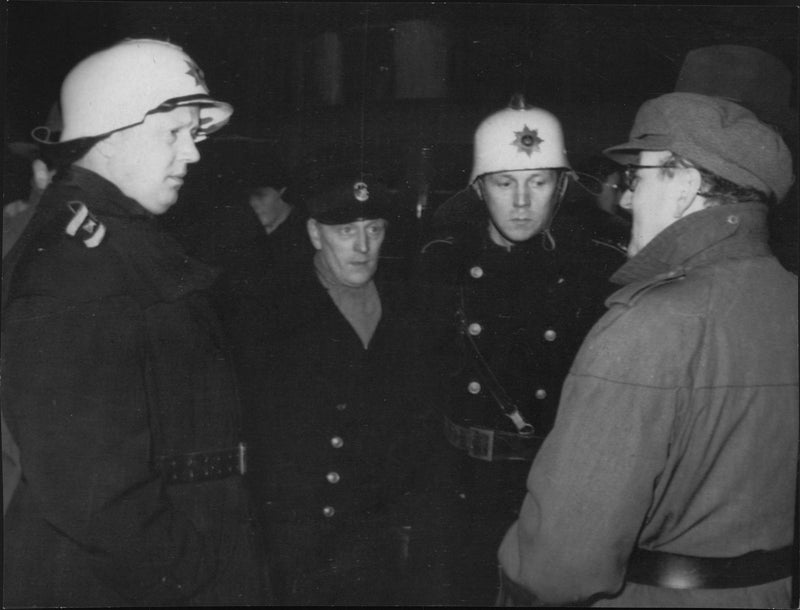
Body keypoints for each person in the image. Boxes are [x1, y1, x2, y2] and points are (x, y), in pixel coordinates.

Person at [498, 92, 797, 607]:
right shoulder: (788, 298)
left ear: (683, 185)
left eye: (640, 177)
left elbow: (561, 566)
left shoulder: (650, 325)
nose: (629, 199)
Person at [2, 38, 269, 606]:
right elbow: (90, 493)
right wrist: (196, 571)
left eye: (194, 135)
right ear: (109, 133)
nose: (194, 154)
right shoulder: (80, 264)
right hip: (133, 581)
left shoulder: (118, 239)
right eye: (173, 133)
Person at [408, 94, 627, 605]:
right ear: (480, 188)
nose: (523, 202)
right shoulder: (440, 259)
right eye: (506, 183)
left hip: (554, 493)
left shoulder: (600, 266)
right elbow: (414, 382)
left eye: (539, 182)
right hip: (458, 485)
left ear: (563, 185)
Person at [239, 176, 432, 605]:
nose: (363, 247)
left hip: (381, 540)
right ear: (314, 234)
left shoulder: (408, 307)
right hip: (303, 544)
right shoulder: (272, 311)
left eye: (374, 229)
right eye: (346, 231)